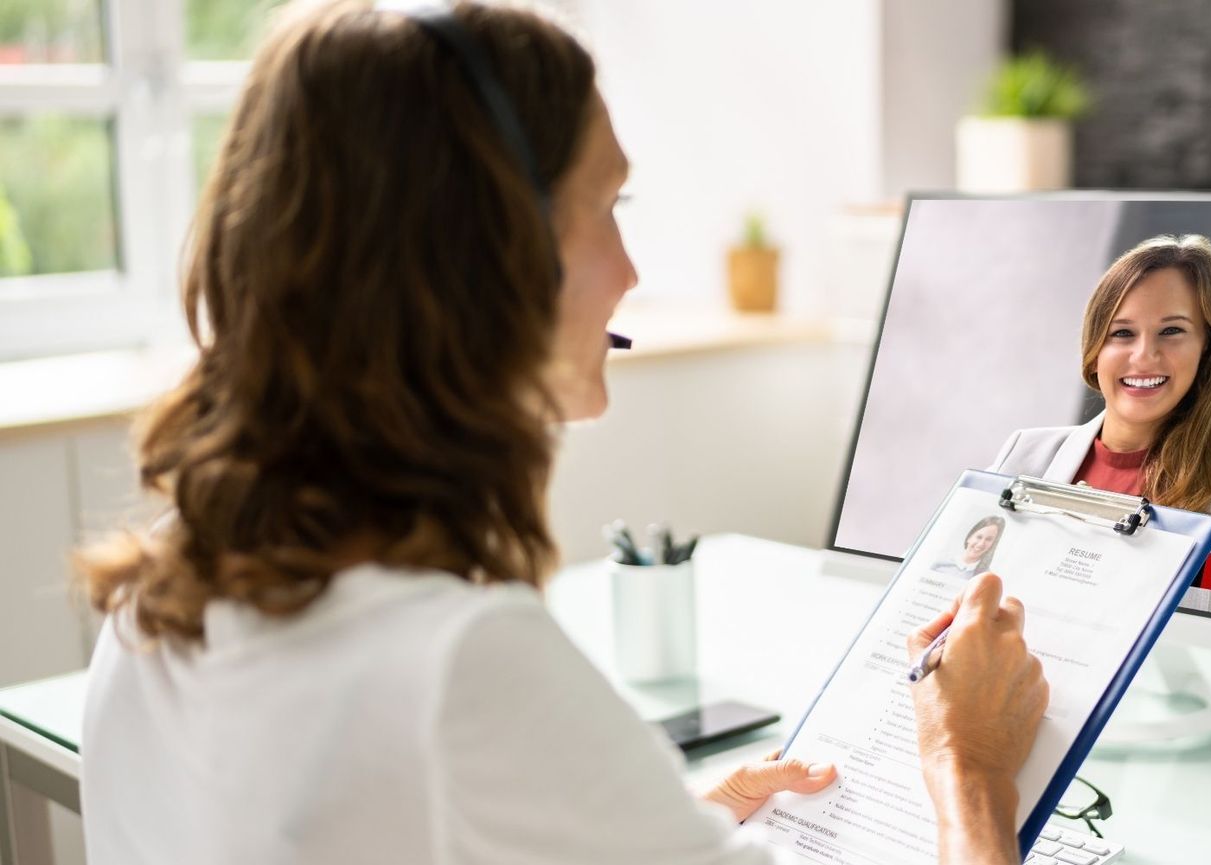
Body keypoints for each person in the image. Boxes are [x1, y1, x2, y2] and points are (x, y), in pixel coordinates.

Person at [73, 3, 1048, 863]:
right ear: (487, 253)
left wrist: (646, 825)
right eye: (607, 205)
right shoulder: (459, 661)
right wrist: (970, 766)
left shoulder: (162, 592)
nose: (628, 270)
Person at [990, 235, 1211, 629]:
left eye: (1171, 331)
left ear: (1209, 348)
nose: (1144, 356)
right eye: (1121, 333)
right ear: (1095, 347)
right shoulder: (1024, 454)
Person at [931, 515, 1005, 577]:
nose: (981, 544)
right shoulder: (939, 563)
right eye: (979, 537)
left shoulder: (986, 577)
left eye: (988, 539)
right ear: (969, 537)